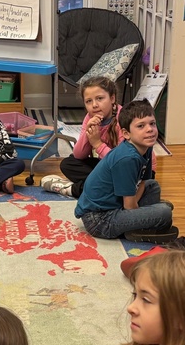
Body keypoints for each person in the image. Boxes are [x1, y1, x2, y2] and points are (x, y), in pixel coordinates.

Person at [74, 99, 177, 243]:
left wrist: (142, 214)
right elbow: (129, 206)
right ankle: (136, 228)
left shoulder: (145, 145)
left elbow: (142, 182)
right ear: (126, 134)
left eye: (152, 123)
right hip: (100, 220)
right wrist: (144, 215)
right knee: (164, 213)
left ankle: (143, 221)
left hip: (116, 205)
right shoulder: (127, 158)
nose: (150, 129)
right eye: (141, 126)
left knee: (153, 186)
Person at [42, 76, 153, 199]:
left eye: (100, 98)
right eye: (89, 101)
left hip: (134, 170)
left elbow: (122, 161)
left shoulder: (123, 118)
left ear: (112, 98)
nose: (94, 105)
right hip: (110, 165)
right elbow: (79, 155)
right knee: (68, 164)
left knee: (113, 183)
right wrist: (87, 133)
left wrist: (97, 144)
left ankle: (75, 190)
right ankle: (101, 188)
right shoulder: (90, 117)